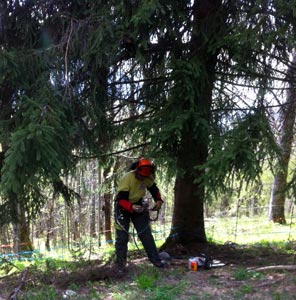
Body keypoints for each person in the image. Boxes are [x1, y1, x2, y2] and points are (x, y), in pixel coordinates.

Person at [114, 158, 164, 269]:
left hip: (138, 206)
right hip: (122, 208)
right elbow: (121, 199)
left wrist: (159, 201)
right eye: (141, 175)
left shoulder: (147, 177)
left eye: (145, 176)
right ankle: (120, 266)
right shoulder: (127, 178)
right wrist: (131, 207)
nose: (142, 178)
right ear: (137, 170)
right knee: (122, 237)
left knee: (146, 234)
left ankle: (156, 261)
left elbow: (154, 189)